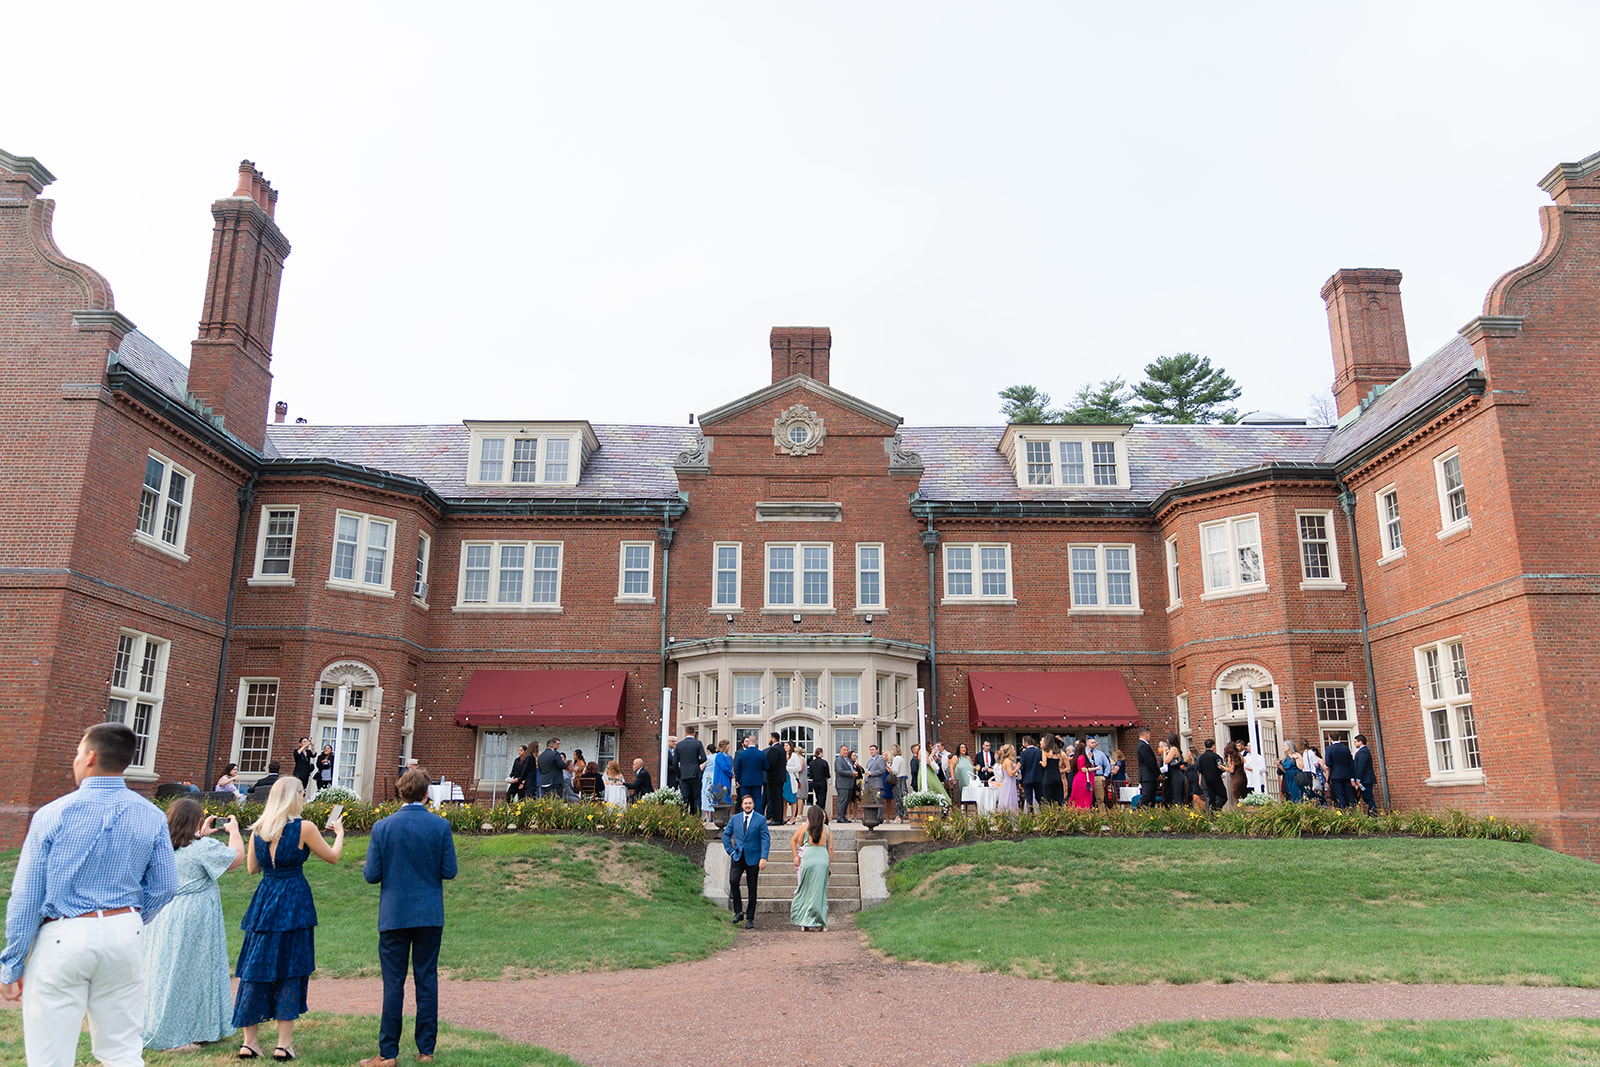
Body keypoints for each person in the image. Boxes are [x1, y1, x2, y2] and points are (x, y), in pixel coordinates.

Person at [0, 723, 178, 1067]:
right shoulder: (152, 815)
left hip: (63, 934)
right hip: (123, 931)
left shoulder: (53, 814)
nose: (75, 759)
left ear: (91, 757)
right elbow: (165, 885)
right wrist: (131, 919)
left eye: (78, 753)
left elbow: (26, 896)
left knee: (50, 1055)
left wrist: (12, 962)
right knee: (123, 1051)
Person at [232, 775, 345, 1061]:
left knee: (255, 966)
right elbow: (332, 857)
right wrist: (339, 832)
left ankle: (250, 1042)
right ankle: (283, 1045)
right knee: (290, 967)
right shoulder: (304, 828)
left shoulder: (259, 828)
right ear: (295, 796)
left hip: (264, 899)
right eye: (303, 792)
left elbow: (252, 869)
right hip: (294, 900)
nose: (305, 797)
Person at [359, 769, 458, 1067]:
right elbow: (450, 871)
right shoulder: (440, 826)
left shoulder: (383, 827)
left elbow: (371, 875)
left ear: (399, 792)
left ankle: (388, 1053)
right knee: (426, 980)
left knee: (394, 983)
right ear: (427, 794)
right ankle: (426, 1050)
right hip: (428, 913)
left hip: (394, 913)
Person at [142, 799, 245, 1050]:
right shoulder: (201, 848)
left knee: (161, 971)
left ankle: (173, 1024)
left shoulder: (160, 846)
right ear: (195, 822)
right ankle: (177, 1034)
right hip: (192, 917)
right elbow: (236, 858)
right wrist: (234, 833)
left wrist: (200, 834)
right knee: (189, 972)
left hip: (161, 914)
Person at [722, 794, 768, 930]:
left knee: (752, 888)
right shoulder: (735, 819)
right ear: (742, 805)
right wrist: (730, 851)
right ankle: (738, 912)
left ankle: (750, 918)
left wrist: (763, 857)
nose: (748, 805)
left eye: (750, 803)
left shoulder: (760, 819)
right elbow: (726, 835)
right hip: (738, 856)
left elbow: (765, 839)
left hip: (754, 857)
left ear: (753, 805)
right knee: (733, 881)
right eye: (745, 803)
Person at [789, 805, 832, 931]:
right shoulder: (827, 829)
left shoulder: (805, 827)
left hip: (808, 858)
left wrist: (796, 856)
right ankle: (821, 921)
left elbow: (798, 841)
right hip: (822, 859)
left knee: (805, 889)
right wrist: (829, 865)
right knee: (820, 891)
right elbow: (830, 849)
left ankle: (804, 919)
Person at [674, 729, 707, 815]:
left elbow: (675, 762)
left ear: (685, 733)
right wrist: (696, 764)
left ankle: (683, 818)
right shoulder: (698, 743)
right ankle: (696, 818)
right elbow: (703, 758)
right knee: (696, 797)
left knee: (684, 798)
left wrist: (678, 774)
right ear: (694, 733)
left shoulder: (679, 745)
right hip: (695, 774)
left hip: (684, 775)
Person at [734, 735, 767, 812]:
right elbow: (766, 767)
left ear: (748, 743)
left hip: (745, 780)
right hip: (757, 780)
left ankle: (745, 818)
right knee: (757, 800)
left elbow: (737, 768)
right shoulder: (761, 754)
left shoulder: (742, 754)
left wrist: (738, 780)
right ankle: (758, 819)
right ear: (756, 742)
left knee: (744, 800)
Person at [1324, 736, 1356, 808]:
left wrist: (1325, 766)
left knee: (1340, 795)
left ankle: (1343, 812)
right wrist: (1352, 777)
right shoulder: (1346, 748)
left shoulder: (1329, 749)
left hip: (1335, 775)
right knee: (1349, 794)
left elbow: (1328, 763)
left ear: (1330, 738)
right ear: (1339, 738)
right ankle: (1353, 811)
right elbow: (1351, 763)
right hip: (1346, 774)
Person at [763, 733, 788, 825]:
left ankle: (776, 819)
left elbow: (771, 764)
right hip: (780, 777)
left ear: (773, 739)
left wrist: (764, 766)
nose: (769, 739)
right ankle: (779, 818)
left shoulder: (774, 750)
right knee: (778, 798)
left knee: (774, 798)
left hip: (774, 777)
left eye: (769, 738)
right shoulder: (781, 749)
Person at [1197, 738, 1227, 811]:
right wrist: (1221, 772)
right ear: (1213, 746)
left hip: (1207, 779)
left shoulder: (1201, 757)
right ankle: (1216, 809)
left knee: (1211, 797)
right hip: (1216, 779)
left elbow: (1199, 769)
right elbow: (1221, 767)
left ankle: (1211, 814)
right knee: (1223, 796)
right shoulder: (1215, 756)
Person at [1353, 734, 1378, 814]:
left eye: (1356, 742)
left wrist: (1358, 779)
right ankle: (1371, 814)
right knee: (1367, 798)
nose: (1355, 743)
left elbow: (1361, 766)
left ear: (1360, 742)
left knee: (1369, 798)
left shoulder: (1363, 752)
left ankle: (1373, 815)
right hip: (1365, 779)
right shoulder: (1363, 751)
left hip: (1366, 779)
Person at [1136, 728, 1160, 809]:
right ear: (1145, 734)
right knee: (1146, 797)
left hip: (1149, 776)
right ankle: (1135, 811)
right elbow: (1150, 761)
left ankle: (1149, 814)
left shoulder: (1144, 745)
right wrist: (1157, 774)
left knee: (1151, 798)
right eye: (1149, 735)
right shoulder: (1142, 746)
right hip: (1147, 776)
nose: (1150, 737)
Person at [1020, 735, 1045, 812]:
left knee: (1029, 800)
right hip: (1038, 778)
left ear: (1026, 743)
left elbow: (1022, 768)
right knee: (1040, 798)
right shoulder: (1039, 752)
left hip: (1027, 779)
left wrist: (1021, 781)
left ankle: (1031, 815)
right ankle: (1044, 813)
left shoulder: (1024, 753)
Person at [1068, 740, 1094, 809]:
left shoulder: (1079, 757)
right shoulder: (1081, 757)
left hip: (1080, 777)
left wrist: (1088, 757)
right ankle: (1083, 809)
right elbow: (1083, 769)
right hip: (1083, 778)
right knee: (1083, 795)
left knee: (1079, 795)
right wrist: (1096, 768)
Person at [833, 744, 856, 822]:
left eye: (847, 750)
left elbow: (851, 769)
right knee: (842, 801)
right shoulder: (839, 759)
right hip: (842, 784)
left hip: (849, 784)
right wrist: (851, 773)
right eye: (844, 750)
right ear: (840, 751)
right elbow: (840, 771)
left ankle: (844, 816)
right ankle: (840, 817)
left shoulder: (848, 760)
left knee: (846, 802)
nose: (846, 752)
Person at [710, 739, 735, 808]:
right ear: (724, 746)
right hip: (721, 778)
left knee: (726, 794)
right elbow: (724, 767)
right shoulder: (720, 755)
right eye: (727, 745)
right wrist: (730, 774)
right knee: (723, 795)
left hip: (725, 778)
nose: (729, 747)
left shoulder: (725, 755)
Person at [1223, 740, 1247, 810]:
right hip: (1243, 778)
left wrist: (1223, 768)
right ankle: (1244, 813)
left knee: (1236, 800)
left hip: (1235, 779)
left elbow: (1231, 770)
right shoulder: (1239, 755)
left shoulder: (1231, 757)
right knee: (1243, 798)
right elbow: (1243, 762)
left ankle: (1238, 816)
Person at [1041, 736, 1065, 806]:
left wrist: (1041, 763)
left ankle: (1049, 814)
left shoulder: (1045, 750)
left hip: (1048, 776)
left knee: (1047, 799)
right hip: (1057, 776)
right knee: (1058, 799)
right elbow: (1060, 764)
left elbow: (1045, 764)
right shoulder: (1058, 751)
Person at [995, 744, 1020, 812]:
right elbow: (1010, 774)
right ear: (1010, 751)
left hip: (1007, 782)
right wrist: (1017, 768)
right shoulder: (1008, 761)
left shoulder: (1005, 761)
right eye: (1013, 750)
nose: (1014, 751)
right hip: (1009, 783)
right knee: (1009, 800)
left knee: (1006, 800)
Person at [785, 742, 806, 822]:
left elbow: (798, 768)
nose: (785, 747)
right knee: (784, 798)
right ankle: (784, 816)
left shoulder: (795, 756)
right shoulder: (783, 755)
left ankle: (795, 816)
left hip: (792, 778)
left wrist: (787, 769)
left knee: (795, 797)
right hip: (784, 778)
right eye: (784, 746)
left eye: (787, 745)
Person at [807, 746, 831, 814]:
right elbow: (827, 775)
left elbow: (810, 775)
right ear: (820, 753)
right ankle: (821, 811)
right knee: (822, 797)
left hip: (815, 782)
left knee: (818, 797)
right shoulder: (824, 762)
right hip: (822, 782)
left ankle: (817, 810)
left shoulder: (812, 763)